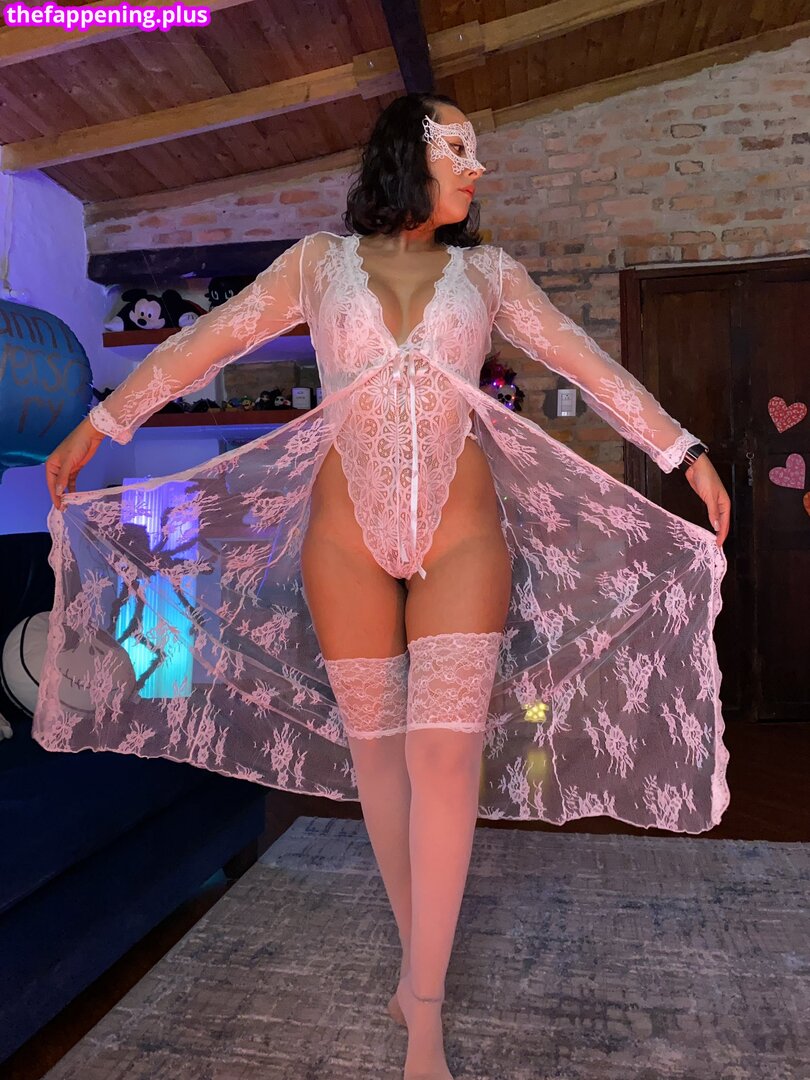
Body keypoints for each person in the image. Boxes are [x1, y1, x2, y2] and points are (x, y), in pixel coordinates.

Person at [40, 93, 731, 1079]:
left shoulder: (489, 275)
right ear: (408, 155)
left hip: (462, 531)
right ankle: (417, 970)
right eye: (460, 149)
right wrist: (99, 425)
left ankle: (425, 1015)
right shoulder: (315, 265)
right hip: (343, 535)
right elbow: (207, 342)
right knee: (382, 759)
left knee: (445, 761)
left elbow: (587, 362)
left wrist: (683, 451)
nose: (477, 167)